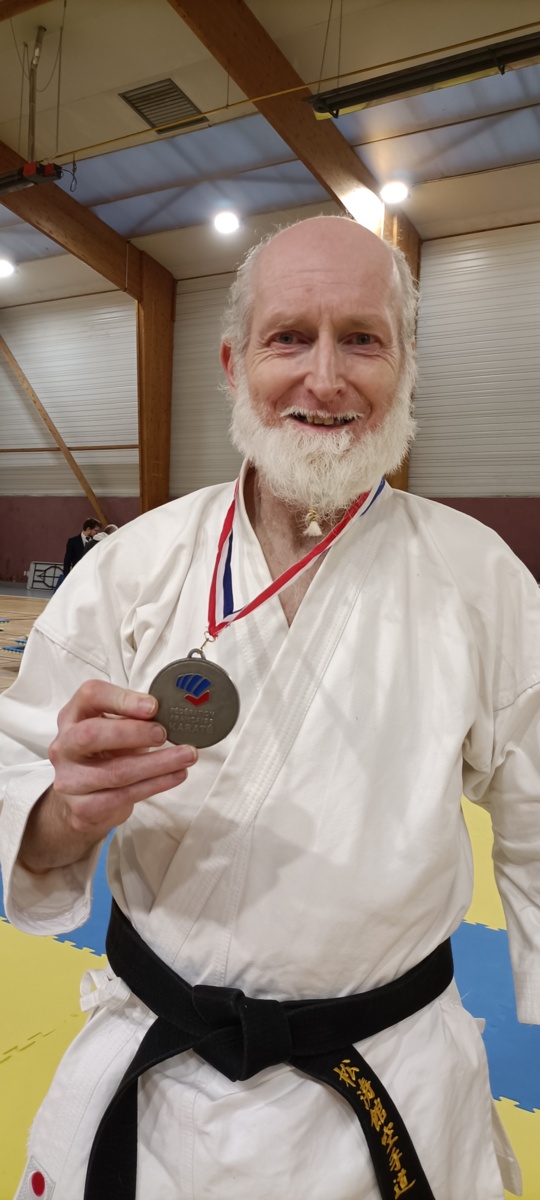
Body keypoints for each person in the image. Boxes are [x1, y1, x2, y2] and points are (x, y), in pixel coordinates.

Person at [0, 216, 538, 1200]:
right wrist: (64, 813)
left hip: (390, 1085)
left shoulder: (480, 578)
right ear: (233, 362)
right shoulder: (134, 566)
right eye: (289, 337)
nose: (324, 378)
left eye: (362, 339)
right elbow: (17, 772)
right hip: (160, 1094)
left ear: (406, 365)